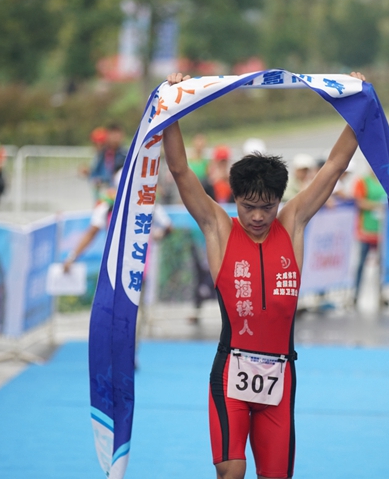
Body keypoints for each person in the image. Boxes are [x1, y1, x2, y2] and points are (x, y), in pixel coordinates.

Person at [162, 71, 365, 479]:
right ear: (234, 198)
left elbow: (335, 166)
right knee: (231, 473)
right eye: (248, 206)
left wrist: (357, 104)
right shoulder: (219, 229)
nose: (257, 217)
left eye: (267, 206)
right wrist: (172, 104)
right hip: (229, 378)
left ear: (280, 201)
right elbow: (182, 172)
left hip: (280, 379)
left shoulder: (292, 225)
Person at [352, 165, 387, 307]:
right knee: (361, 263)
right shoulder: (363, 181)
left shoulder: (385, 181)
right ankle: (355, 294)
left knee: (382, 265)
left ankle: (380, 294)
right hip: (366, 229)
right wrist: (377, 206)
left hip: (382, 231)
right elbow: (359, 202)